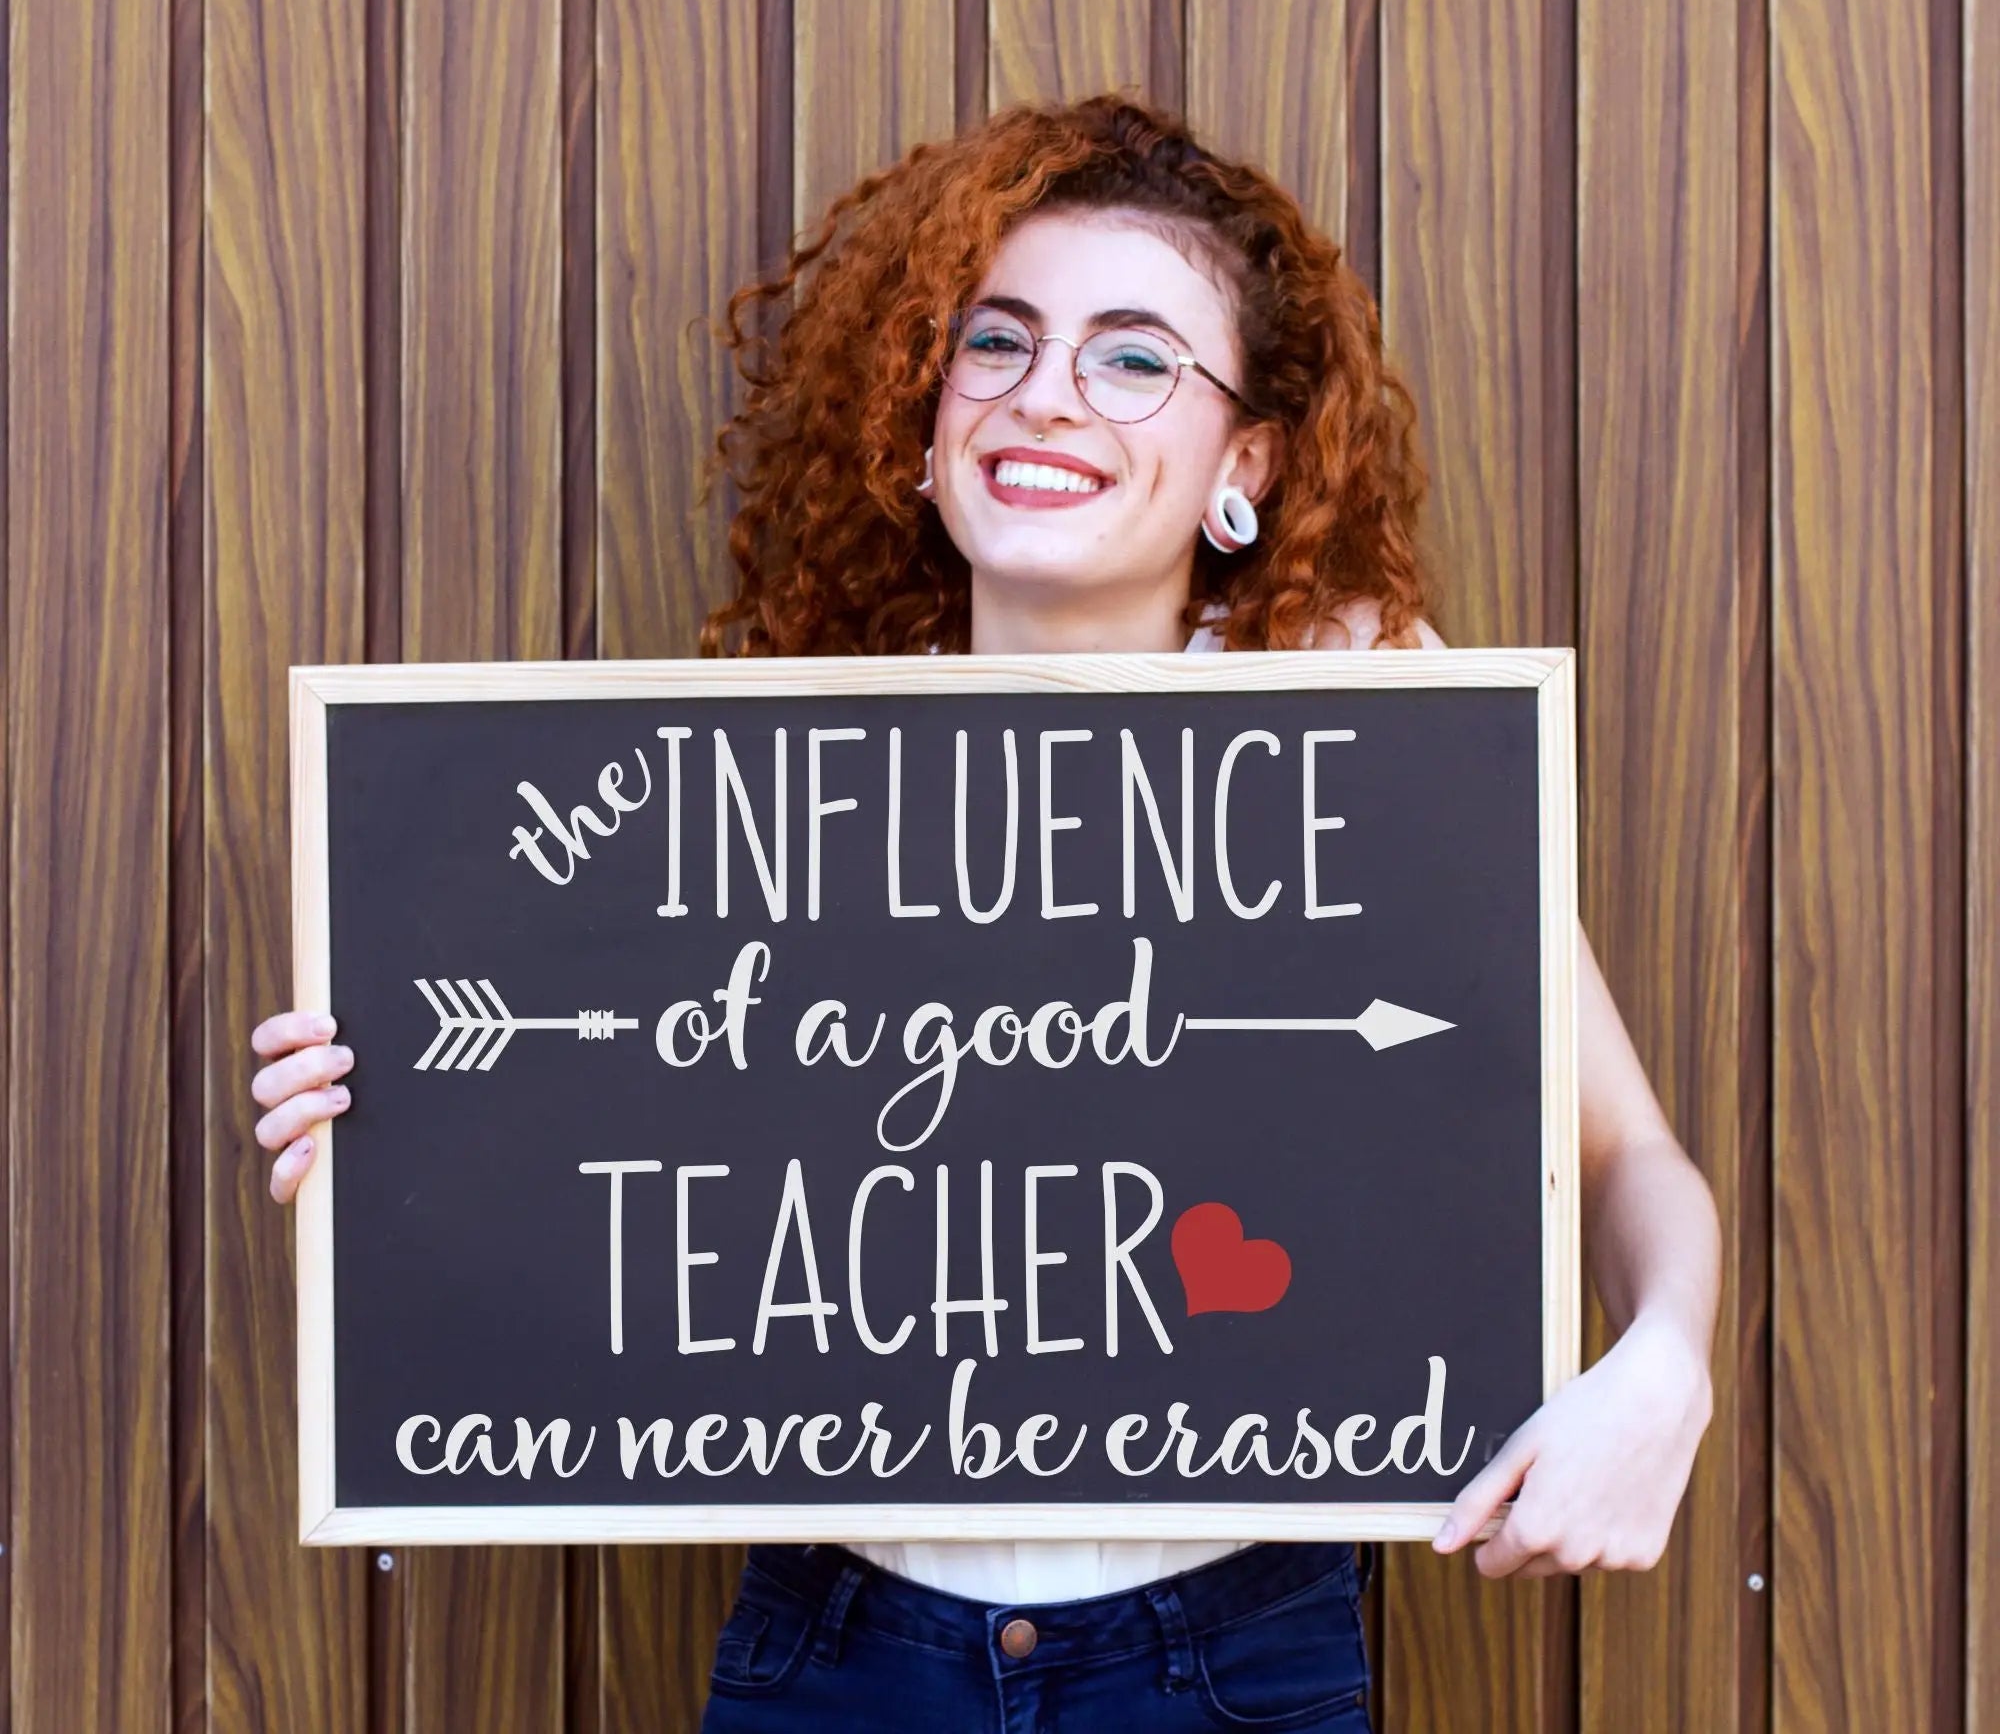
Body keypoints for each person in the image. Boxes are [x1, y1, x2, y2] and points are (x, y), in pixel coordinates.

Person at [249, 91, 1721, 1731]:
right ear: (923, 412)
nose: (1049, 397)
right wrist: (389, 1124)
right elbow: (593, 1134)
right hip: (842, 1648)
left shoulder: (1357, 719)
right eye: (996, 342)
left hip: (1230, 1651)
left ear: (1244, 462)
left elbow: (1623, 1159)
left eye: (1135, 356)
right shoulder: (772, 787)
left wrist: (1664, 1364)